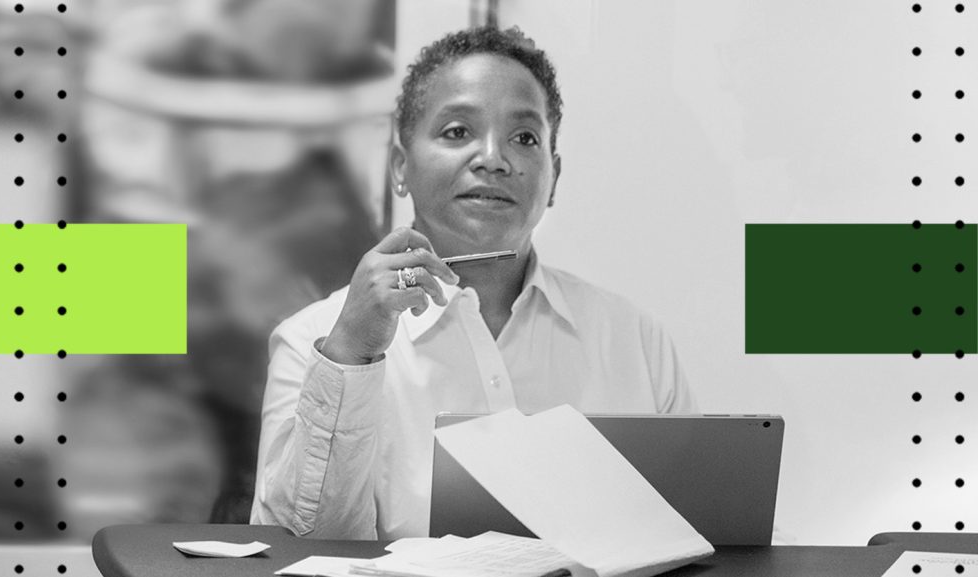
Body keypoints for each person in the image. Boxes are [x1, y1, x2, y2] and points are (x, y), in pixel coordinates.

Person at [251, 26, 697, 540]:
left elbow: (692, 539)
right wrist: (352, 356)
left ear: (554, 176)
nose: (493, 158)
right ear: (400, 167)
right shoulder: (317, 339)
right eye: (458, 132)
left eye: (524, 138)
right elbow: (292, 549)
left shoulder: (636, 341)